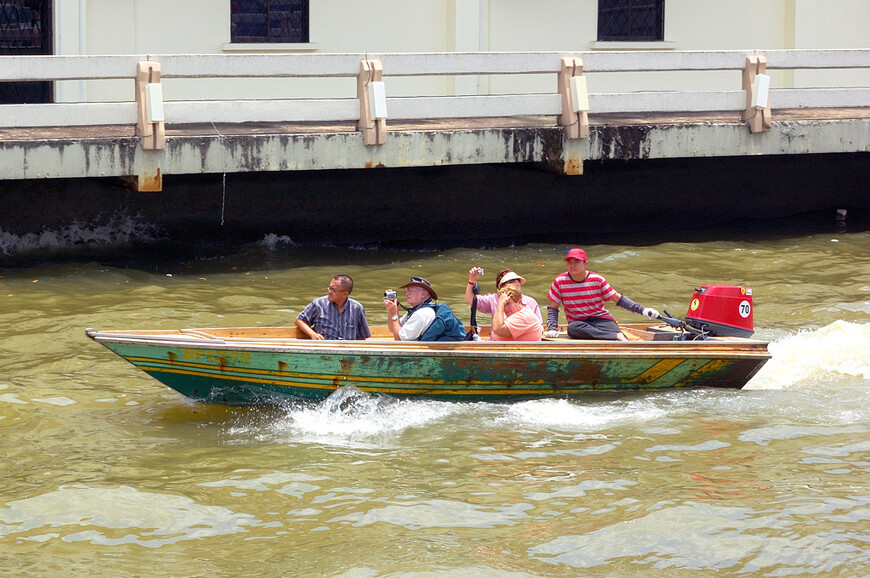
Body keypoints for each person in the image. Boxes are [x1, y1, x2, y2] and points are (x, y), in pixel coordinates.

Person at [546, 248, 659, 341]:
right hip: (579, 324)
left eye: (576, 262)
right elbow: (553, 307)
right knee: (572, 328)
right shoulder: (559, 281)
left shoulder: (597, 280)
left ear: (585, 264)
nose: (572, 266)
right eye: (569, 262)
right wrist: (552, 328)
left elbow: (618, 299)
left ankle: (616, 334)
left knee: (614, 329)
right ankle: (615, 336)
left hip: (601, 320)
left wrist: (643, 310)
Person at [384, 276, 465, 341]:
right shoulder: (417, 310)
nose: (407, 293)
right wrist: (391, 311)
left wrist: (394, 313)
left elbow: (399, 339)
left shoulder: (422, 314)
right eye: (407, 290)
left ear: (423, 294)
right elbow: (393, 329)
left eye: (411, 291)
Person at [295, 274, 371, 340]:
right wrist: (312, 334)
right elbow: (299, 321)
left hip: (348, 350)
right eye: (329, 288)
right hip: (325, 348)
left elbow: (362, 336)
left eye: (333, 290)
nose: (329, 292)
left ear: (345, 294)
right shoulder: (318, 304)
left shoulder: (357, 308)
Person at [465, 268, 542, 322]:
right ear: (501, 286)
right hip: (497, 342)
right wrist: (472, 280)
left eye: (518, 280)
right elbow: (469, 300)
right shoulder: (494, 299)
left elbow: (539, 327)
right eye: (512, 281)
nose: (517, 283)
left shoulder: (530, 302)